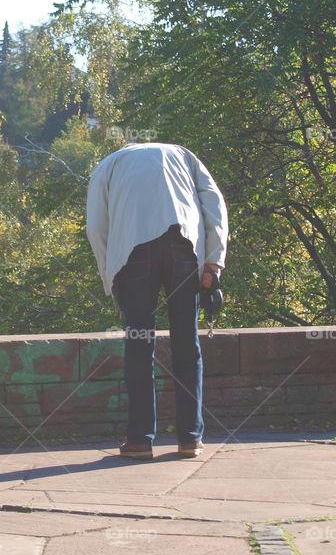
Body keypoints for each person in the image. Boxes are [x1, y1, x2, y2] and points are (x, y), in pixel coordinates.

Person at [86, 142, 228, 459]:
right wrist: (214, 261)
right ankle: (190, 438)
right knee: (186, 343)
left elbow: (95, 226)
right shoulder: (185, 156)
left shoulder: (108, 165)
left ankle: (139, 440)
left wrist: (109, 274)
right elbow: (214, 204)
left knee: (139, 343)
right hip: (185, 247)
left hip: (132, 253)